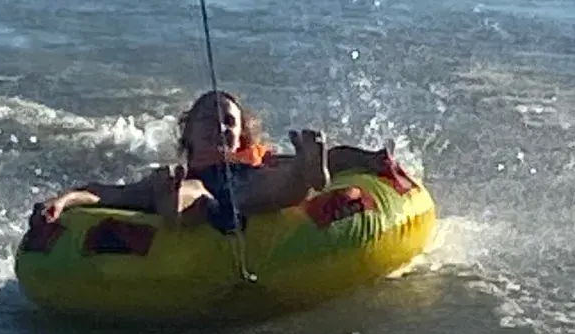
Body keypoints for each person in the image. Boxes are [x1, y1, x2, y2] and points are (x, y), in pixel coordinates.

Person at [35, 90, 395, 233]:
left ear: (242, 136)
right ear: (188, 132)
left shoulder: (256, 159)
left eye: (229, 123)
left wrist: (376, 162)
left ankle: (310, 171)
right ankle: (172, 205)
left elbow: (338, 158)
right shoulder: (184, 173)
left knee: (283, 175)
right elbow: (101, 192)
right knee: (187, 190)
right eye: (208, 119)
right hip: (199, 189)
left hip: (248, 185)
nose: (220, 127)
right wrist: (61, 201)